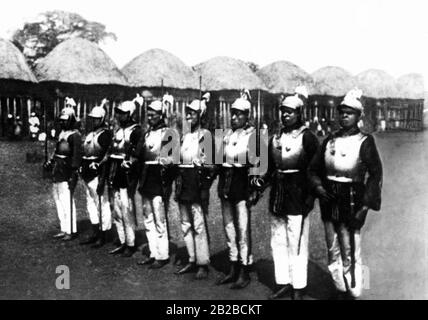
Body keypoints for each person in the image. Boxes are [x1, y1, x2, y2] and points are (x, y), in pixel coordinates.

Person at [308, 88, 383, 299]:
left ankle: (356, 291)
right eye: (341, 112)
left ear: (358, 116)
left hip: (352, 197)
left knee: (351, 248)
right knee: (332, 247)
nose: (344, 116)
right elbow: (314, 170)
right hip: (330, 197)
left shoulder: (365, 142)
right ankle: (339, 288)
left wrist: (365, 206)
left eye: (349, 113)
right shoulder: (329, 140)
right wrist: (319, 188)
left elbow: (375, 175)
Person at [262, 86, 319, 300]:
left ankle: (299, 286)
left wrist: (310, 198)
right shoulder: (275, 139)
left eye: (290, 112)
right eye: (283, 111)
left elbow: (315, 170)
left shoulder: (308, 138)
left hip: (298, 193)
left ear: (299, 114)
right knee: (278, 239)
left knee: (297, 240)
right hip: (278, 194)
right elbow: (268, 169)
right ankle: (284, 282)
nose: (285, 115)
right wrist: (257, 188)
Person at [215, 92, 261, 290]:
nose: (234, 118)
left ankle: (244, 270)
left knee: (243, 229)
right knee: (229, 228)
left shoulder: (254, 136)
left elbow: (261, 166)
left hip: (242, 186)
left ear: (247, 116)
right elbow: (217, 161)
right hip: (225, 185)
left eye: (239, 114)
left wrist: (255, 190)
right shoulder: (225, 135)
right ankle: (232, 267)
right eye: (232, 114)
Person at [174, 93, 216, 279]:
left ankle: (202, 262)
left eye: (193, 113)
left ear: (201, 115)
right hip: (183, 180)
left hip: (196, 181)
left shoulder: (205, 135)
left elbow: (213, 165)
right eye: (187, 113)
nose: (189, 116)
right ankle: (191, 259)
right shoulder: (185, 135)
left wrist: (205, 182)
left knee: (198, 222)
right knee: (185, 223)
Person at [134, 100, 179, 269]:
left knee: (159, 218)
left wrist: (167, 162)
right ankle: (153, 252)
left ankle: (162, 254)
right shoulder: (147, 134)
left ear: (161, 115)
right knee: (148, 217)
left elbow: (174, 159)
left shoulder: (169, 133)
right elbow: (140, 154)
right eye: (149, 114)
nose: (150, 117)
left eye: (153, 114)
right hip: (146, 178)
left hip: (160, 180)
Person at [102, 100, 142, 257]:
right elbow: (111, 150)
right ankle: (122, 240)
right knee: (116, 208)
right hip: (114, 170)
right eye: (118, 112)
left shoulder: (137, 130)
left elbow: (137, 155)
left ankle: (131, 243)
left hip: (127, 173)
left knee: (126, 207)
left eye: (123, 113)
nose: (119, 115)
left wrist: (131, 171)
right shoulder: (118, 130)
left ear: (130, 114)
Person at [43, 107, 82, 241]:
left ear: (71, 120)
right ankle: (64, 228)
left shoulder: (75, 135)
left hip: (67, 171)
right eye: (61, 121)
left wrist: (73, 172)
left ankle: (71, 230)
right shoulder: (62, 134)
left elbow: (76, 156)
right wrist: (50, 161)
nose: (63, 123)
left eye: (66, 120)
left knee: (66, 200)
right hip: (58, 169)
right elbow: (56, 151)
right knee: (58, 199)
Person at [79, 100, 113, 248]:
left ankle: (103, 234)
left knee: (102, 204)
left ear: (103, 119)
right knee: (91, 203)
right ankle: (95, 231)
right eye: (92, 118)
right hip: (87, 172)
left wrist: (102, 179)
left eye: (97, 119)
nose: (94, 121)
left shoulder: (105, 135)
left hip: (98, 173)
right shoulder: (90, 134)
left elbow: (106, 158)